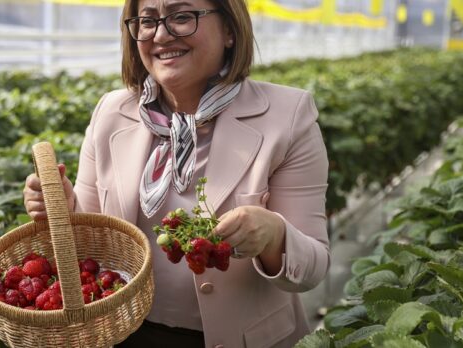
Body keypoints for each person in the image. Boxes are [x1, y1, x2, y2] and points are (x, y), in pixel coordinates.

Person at [23, 0, 329, 347]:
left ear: (230, 29)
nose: (162, 35)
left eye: (182, 17)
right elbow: (92, 246)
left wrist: (273, 236)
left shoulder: (286, 116)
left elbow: (314, 268)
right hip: (123, 333)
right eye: (148, 21)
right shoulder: (112, 112)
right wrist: (63, 210)